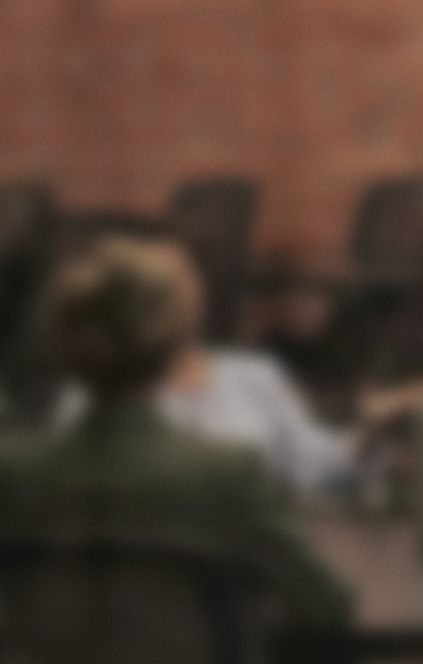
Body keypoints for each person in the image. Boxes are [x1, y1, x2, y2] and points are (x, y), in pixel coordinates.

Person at [0, 235, 352, 631]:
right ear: (173, 340)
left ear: (62, 338)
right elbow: (328, 605)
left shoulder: (12, 476)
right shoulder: (227, 474)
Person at [49, 234, 394, 496]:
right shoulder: (94, 392)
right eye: (157, 286)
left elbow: (317, 464)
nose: (176, 294)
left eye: (183, 277)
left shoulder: (255, 376)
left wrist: (372, 431)